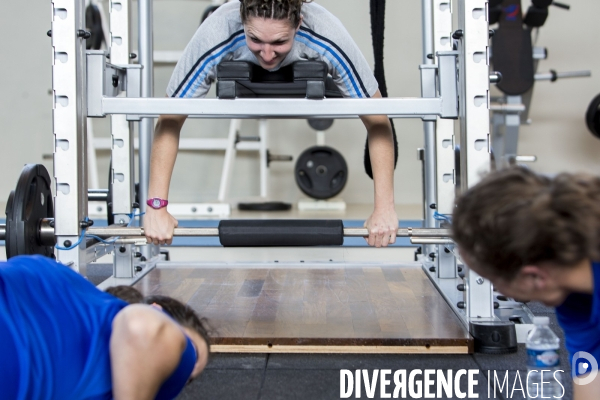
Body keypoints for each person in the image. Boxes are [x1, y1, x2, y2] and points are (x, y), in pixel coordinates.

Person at [144, 0, 399, 248]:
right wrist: (156, 207)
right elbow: (169, 119)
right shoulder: (218, 29)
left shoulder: (326, 32)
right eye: (255, 40)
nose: (267, 55)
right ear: (241, 21)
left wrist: (385, 209)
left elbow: (377, 121)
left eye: (279, 42)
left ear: (299, 24)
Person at [451, 167, 600, 400]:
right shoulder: (576, 302)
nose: (498, 291)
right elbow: (592, 378)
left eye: (493, 281)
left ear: (534, 277)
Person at [0, 255, 210, 400]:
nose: (186, 374)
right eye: (189, 346)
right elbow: (143, 325)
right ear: (157, 310)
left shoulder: (60, 280)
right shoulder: (175, 354)